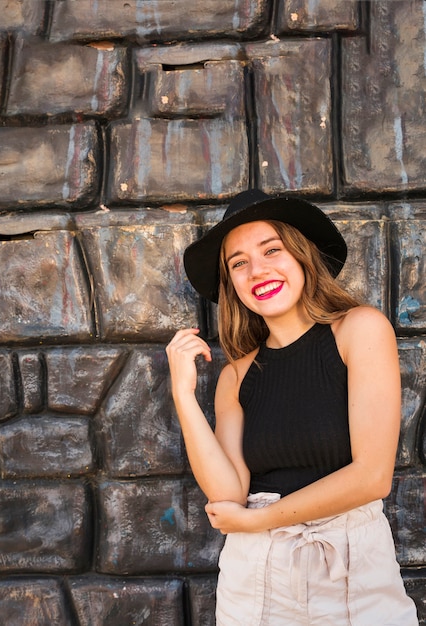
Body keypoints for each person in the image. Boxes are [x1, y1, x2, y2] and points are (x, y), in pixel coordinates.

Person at [166, 189, 418, 625]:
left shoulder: (360, 330)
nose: (257, 270)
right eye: (238, 263)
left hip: (352, 569)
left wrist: (254, 522)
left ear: (301, 257)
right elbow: (227, 494)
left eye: (272, 250)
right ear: (231, 285)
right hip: (256, 578)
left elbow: (372, 477)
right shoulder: (236, 377)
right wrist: (183, 396)